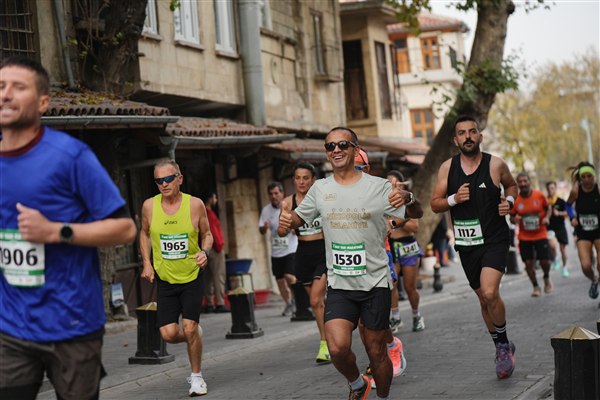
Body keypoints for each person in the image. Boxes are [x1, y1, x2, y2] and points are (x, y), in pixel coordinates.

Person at [0, 56, 137, 399]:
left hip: (71, 323)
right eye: (0, 86)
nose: (6, 94)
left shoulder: (70, 156)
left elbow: (124, 229)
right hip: (10, 326)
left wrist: (56, 231)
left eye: (18, 87)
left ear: (43, 102)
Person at [280, 127, 422, 400]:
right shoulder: (320, 189)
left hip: (374, 282)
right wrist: (289, 220)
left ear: (355, 149)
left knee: (376, 351)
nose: (336, 150)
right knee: (337, 347)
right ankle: (358, 384)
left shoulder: (379, 187)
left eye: (343, 145)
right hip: (340, 283)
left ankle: (382, 395)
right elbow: (299, 218)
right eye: (330, 146)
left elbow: (417, 213)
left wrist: (409, 198)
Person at [430, 115, 518, 380]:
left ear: (480, 136)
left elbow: (511, 185)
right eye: (462, 133)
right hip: (467, 243)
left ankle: (503, 346)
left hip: (494, 239)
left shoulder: (495, 164)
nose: (467, 136)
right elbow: (435, 204)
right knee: (483, 299)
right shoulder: (447, 168)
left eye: (472, 131)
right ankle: (501, 344)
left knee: (490, 293)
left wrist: (509, 202)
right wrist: (454, 199)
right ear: (455, 139)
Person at [140, 160, 213, 397]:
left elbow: (207, 234)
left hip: (192, 275)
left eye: (168, 179)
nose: (164, 184)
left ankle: (197, 377)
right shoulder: (149, 206)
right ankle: (194, 336)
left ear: (179, 179)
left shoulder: (195, 204)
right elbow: (144, 233)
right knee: (169, 334)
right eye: (158, 181)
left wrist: (204, 252)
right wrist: (147, 262)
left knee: (189, 327)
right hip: (166, 279)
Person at [353, 154, 411, 389]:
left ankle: (388, 349)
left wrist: (392, 223)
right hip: (351, 260)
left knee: (374, 317)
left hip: (379, 255)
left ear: (366, 168)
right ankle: (378, 357)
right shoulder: (335, 190)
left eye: (357, 167)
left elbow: (408, 215)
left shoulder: (379, 190)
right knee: (361, 322)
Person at [277, 162, 330, 363]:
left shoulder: (322, 199)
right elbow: (281, 232)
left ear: (313, 180)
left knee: (316, 300)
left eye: (305, 178)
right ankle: (332, 335)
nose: (301, 182)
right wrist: (284, 223)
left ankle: (325, 344)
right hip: (303, 254)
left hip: (323, 251)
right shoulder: (287, 202)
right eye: (298, 178)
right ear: (293, 180)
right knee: (318, 304)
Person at [386, 170, 425, 332]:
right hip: (391, 246)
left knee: (410, 287)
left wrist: (397, 219)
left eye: (395, 183)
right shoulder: (382, 202)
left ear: (402, 185)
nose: (392, 186)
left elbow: (415, 227)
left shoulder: (408, 201)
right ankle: (395, 318)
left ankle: (417, 315)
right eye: (389, 183)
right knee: (391, 284)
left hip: (407, 246)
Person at [509, 172, 553, 297]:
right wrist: (515, 219)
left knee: (545, 262)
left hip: (540, 234)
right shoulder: (516, 200)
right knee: (528, 263)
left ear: (529, 182)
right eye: (520, 182)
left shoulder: (539, 195)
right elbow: (511, 217)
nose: (523, 184)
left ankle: (546, 277)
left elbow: (548, 208)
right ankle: (535, 286)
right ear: (517, 184)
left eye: (525, 181)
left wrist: (547, 218)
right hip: (525, 236)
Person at [259, 181, 297, 316]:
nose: (273, 196)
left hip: (290, 249)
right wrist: (265, 227)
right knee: (280, 280)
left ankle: (298, 298)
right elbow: (261, 230)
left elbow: (299, 225)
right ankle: (289, 304)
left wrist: (293, 229)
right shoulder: (266, 210)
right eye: (271, 194)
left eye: (276, 193)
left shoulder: (289, 207)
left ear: (282, 193)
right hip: (276, 251)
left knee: (289, 276)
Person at [566, 162, 600, 299]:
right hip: (583, 232)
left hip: (599, 231)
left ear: (593, 176)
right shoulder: (576, 191)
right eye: (583, 177)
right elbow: (568, 205)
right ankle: (594, 280)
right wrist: (572, 217)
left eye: (589, 176)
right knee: (586, 266)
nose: (586, 179)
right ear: (580, 178)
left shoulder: (598, 189)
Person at [202, 192, 229, 313]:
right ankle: (220, 302)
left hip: (204, 248)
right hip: (214, 248)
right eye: (214, 197)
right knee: (218, 276)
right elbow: (212, 232)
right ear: (210, 199)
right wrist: (219, 246)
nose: (216, 200)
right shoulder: (209, 214)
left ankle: (209, 303)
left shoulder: (201, 213)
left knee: (208, 277)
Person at [546, 181, 570, 277]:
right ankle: (555, 258)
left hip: (560, 227)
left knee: (562, 249)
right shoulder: (545, 201)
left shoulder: (561, 201)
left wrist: (559, 213)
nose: (550, 190)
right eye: (548, 189)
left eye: (552, 188)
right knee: (552, 245)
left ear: (555, 189)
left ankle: (565, 267)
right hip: (550, 227)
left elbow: (567, 213)